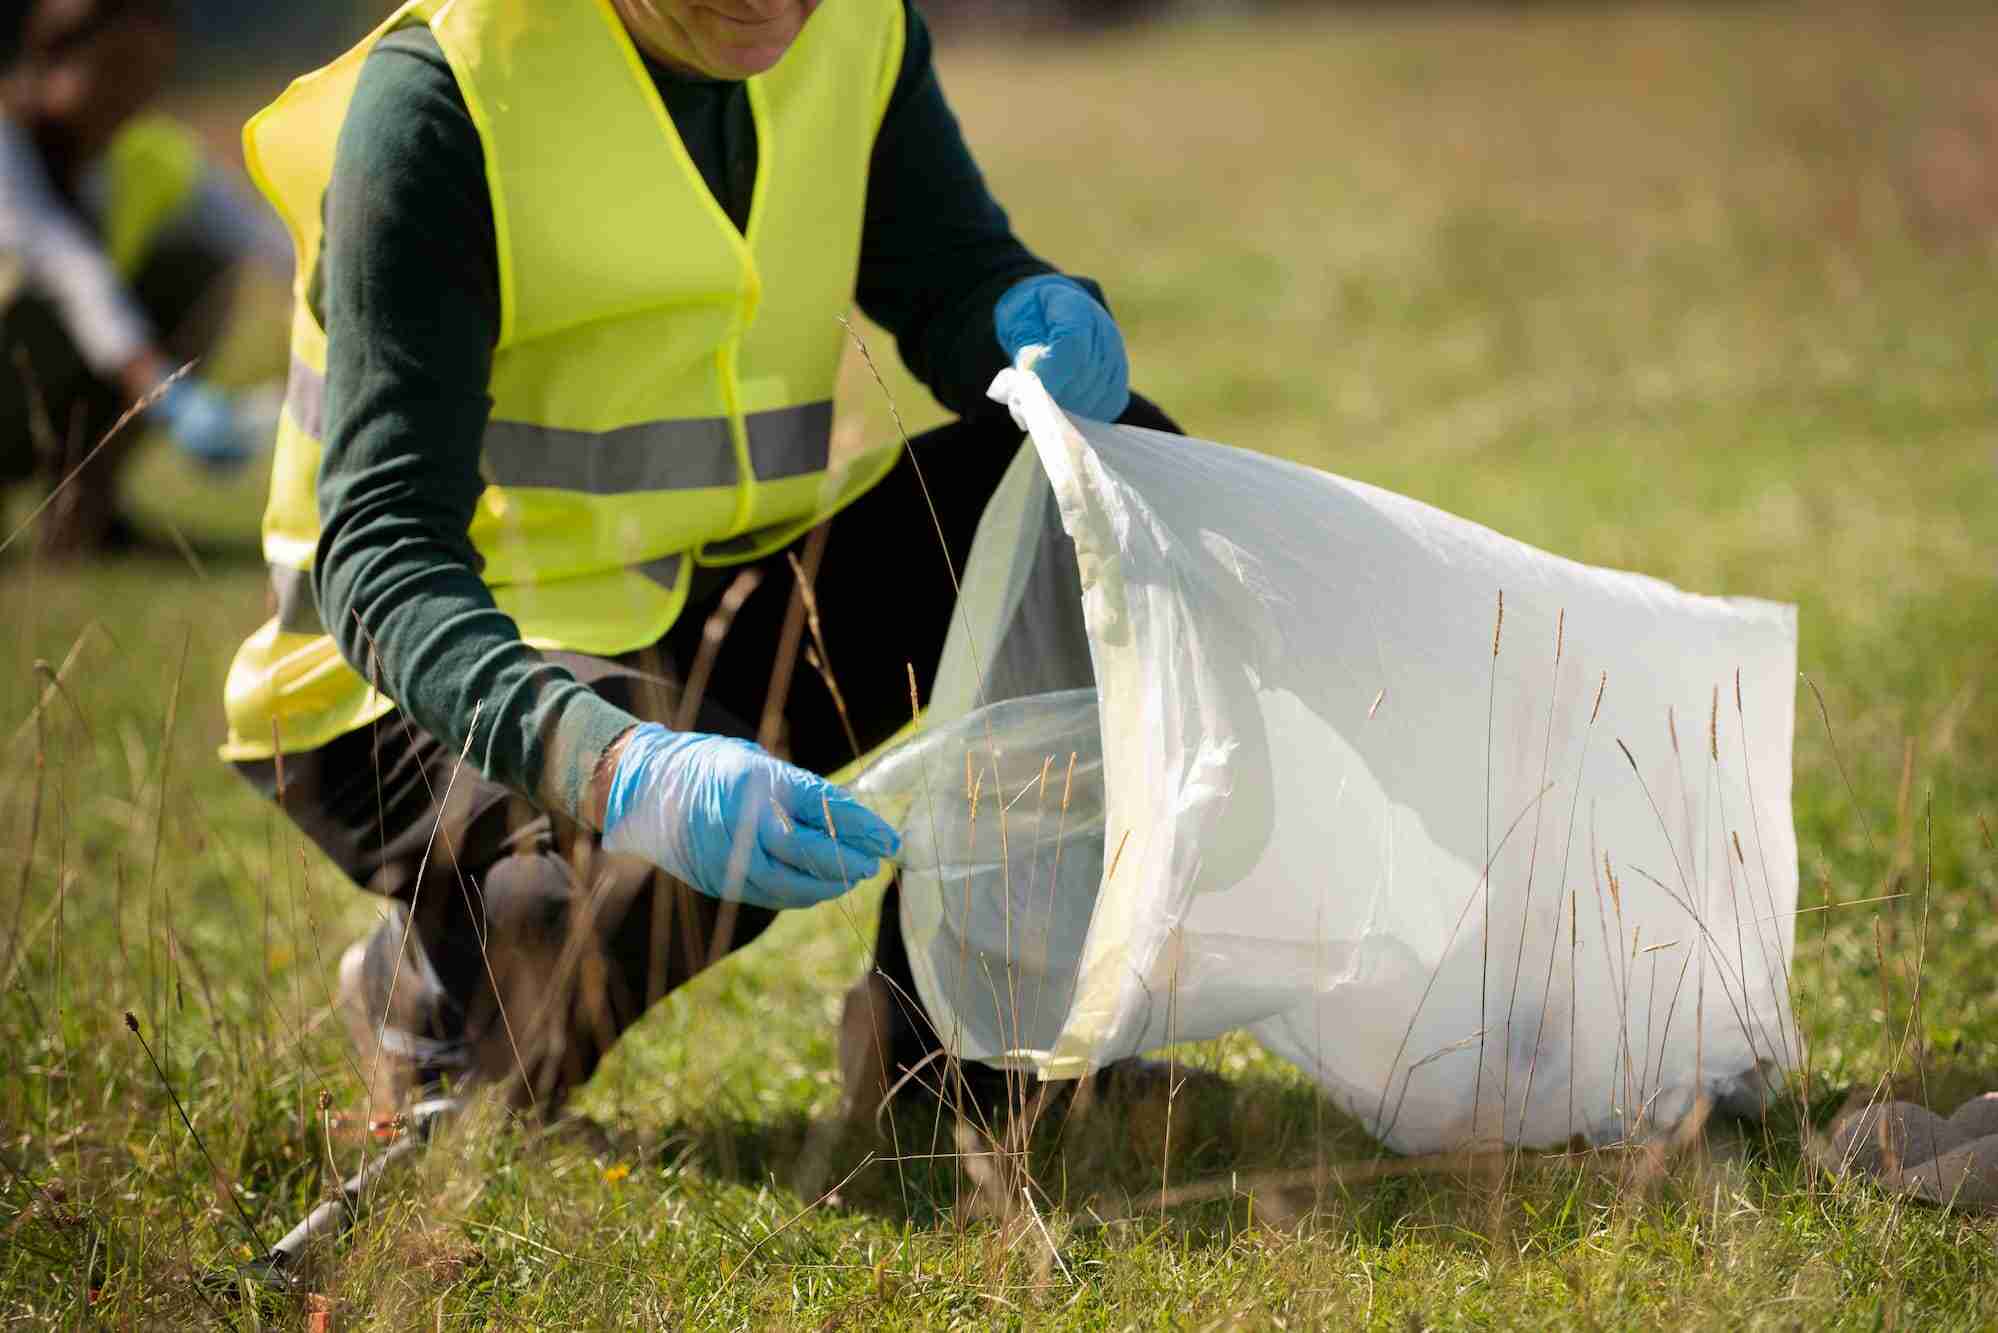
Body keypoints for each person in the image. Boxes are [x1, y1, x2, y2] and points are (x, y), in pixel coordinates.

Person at [220, 0, 1182, 1125]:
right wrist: (618, 766)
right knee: (625, 885)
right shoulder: (443, 96)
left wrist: (1017, 313)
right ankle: (430, 995)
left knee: (1103, 492)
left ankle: (956, 1060)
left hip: (703, 605)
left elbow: (950, 277)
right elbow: (382, 561)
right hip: (411, 679)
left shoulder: (857, 31)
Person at [0, 0, 287, 556]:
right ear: (50, 59)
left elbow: (257, 234)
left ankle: (83, 520)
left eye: (149, 78)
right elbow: (69, 270)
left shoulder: (139, 153)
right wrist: (159, 387)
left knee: (195, 265)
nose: (131, 96)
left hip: (72, 373)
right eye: (115, 71)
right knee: (30, 296)